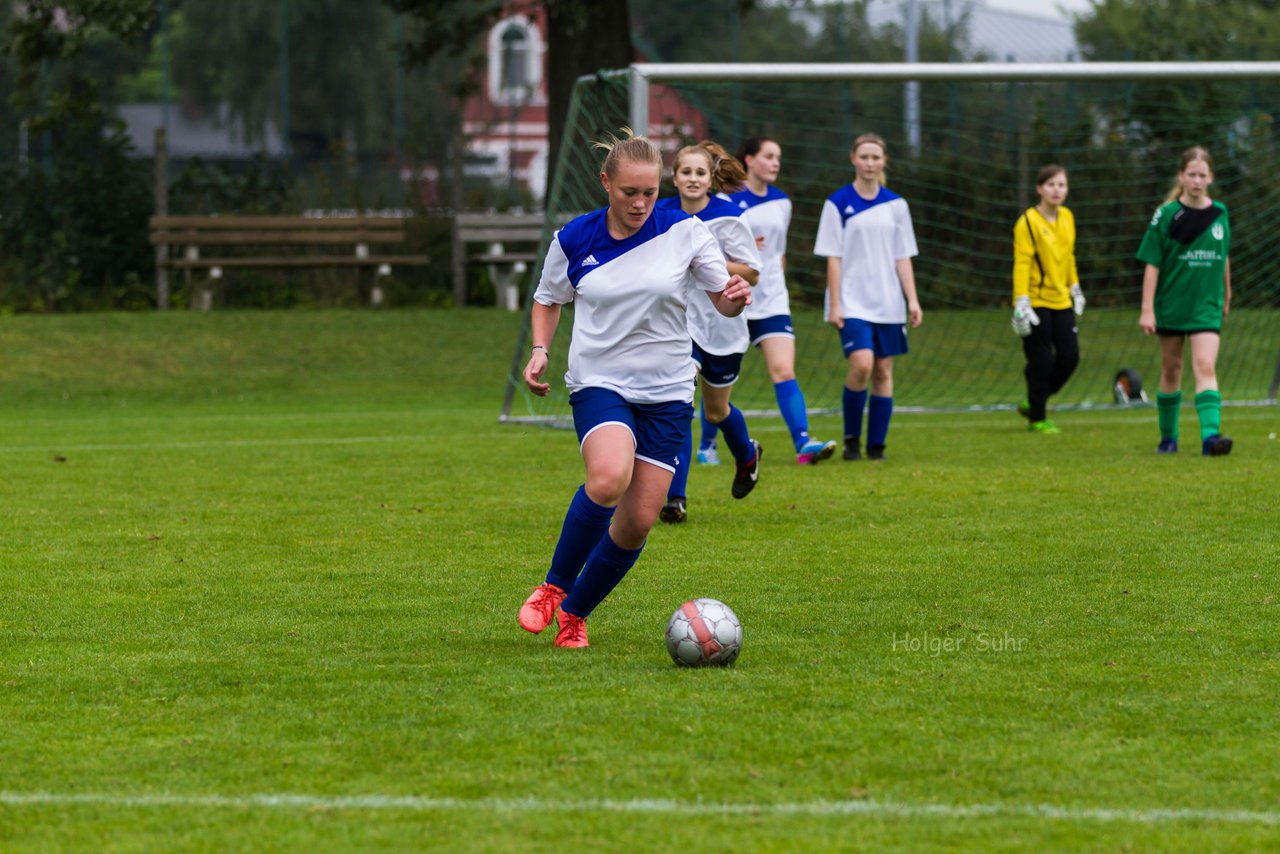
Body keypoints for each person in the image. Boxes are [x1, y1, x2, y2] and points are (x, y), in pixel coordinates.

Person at [517, 129, 752, 648]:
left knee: (638, 522)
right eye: (629, 193)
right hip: (600, 381)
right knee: (608, 478)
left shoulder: (686, 230)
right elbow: (548, 298)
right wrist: (540, 350)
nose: (641, 203)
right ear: (606, 183)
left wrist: (736, 294)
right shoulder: (575, 238)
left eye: (649, 192)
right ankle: (553, 587)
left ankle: (575, 615)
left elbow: (723, 301)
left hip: (668, 390)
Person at [658, 141, 764, 525]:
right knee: (680, 405)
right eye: (685, 172)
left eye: (700, 173)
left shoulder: (728, 216)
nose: (692, 179)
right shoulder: (661, 212)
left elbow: (752, 271)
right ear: (675, 176)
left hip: (722, 324)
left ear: (710, 178)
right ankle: (675, 498)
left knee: (716, 410)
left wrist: (708, 260)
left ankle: (747, 455)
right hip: (677, 324)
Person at [724, 136, 837, 466]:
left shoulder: (782, 202)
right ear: (749, 159)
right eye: (768, 156)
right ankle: (708, 447)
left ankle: (803, 443)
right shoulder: (725, 199)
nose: (775, 162)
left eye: (779, 157)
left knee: (784, 369)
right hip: (731, 297)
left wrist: (778, 284)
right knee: (721, 379)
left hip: (772, 297)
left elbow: (779, 252)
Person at [813, 133, 922, 462]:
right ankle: (851, 440)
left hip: (889, 303)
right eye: (865, 157)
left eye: (876, 157)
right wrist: (835, 302)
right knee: (862, 365)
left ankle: (876, 447)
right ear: (853, 159)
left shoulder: (897, 205)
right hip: (852, 302)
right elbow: (833, 257)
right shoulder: (837, 203)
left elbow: (902, 256)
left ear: (884, 161)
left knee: (884, 371)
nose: (870, 163)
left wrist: (912, 300)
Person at [1137, 145, 1233, 456]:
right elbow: (1152, 263)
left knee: (1205, 365)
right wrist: (1147, 309)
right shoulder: (1166, 215)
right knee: (1171, 369)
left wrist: (1227, 294)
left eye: (1202, 175)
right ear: (1181, 176)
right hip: (1172, 304)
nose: (1197, 180)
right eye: (1191, 174)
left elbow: (1224, 257)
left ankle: (1210, 437)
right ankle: (1168, 438)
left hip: (1206, 304)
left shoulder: (1220, 213)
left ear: (1211, 177)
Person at [1010, 164, 1084, 435]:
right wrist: (1021, 300)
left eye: (1061, 184)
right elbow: (1022, 262)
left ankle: (1034, 399)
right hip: (1035, 301)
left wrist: (1074, 286)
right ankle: (1037, 418)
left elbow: (1068, 256)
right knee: (1040, 361)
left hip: (1062, 299)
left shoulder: (1067, 217)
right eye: (1051, 184)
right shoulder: (1027, 221)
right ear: (1039, 189)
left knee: (1070, 357)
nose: (1056, 190)